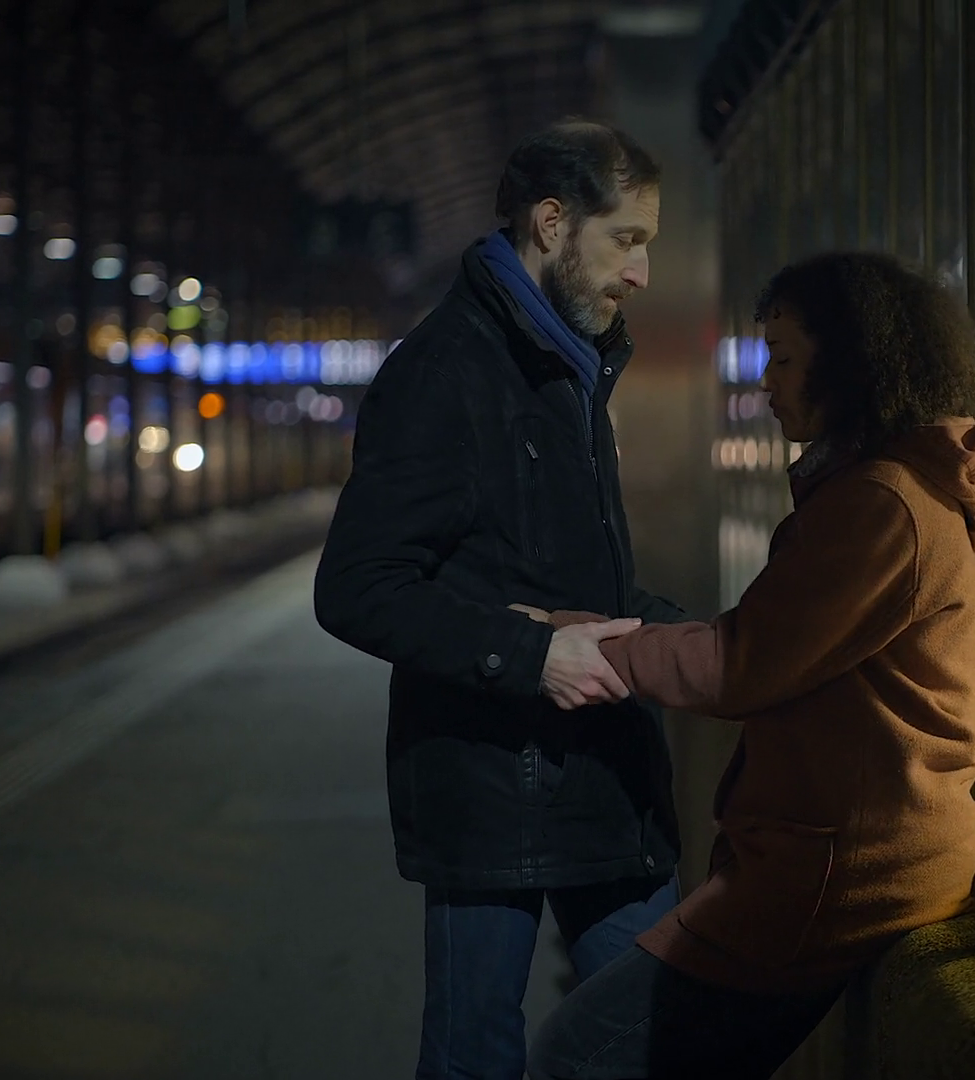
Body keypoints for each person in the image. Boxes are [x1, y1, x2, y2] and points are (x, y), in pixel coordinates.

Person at [524, 252, 975, 1080]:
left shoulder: (882, 504)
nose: (766, 381)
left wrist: (585, 645)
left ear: (851, 362)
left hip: (841, 875)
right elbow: (767, 644)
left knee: (576, 1053)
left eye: (783, 357)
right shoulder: (888, 491)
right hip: (852, 856)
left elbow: (739, 665)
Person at [312, 119, 692, 1080]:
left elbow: (572, 581)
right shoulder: (443, 372)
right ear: (551, 224)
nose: (642, 272)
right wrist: (529, 657)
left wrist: (709, 637)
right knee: (475, 1055)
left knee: (663, 1033)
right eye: (627, 240)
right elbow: (357, 586)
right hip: (488, 791)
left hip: (604, 778)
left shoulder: (572, 362)